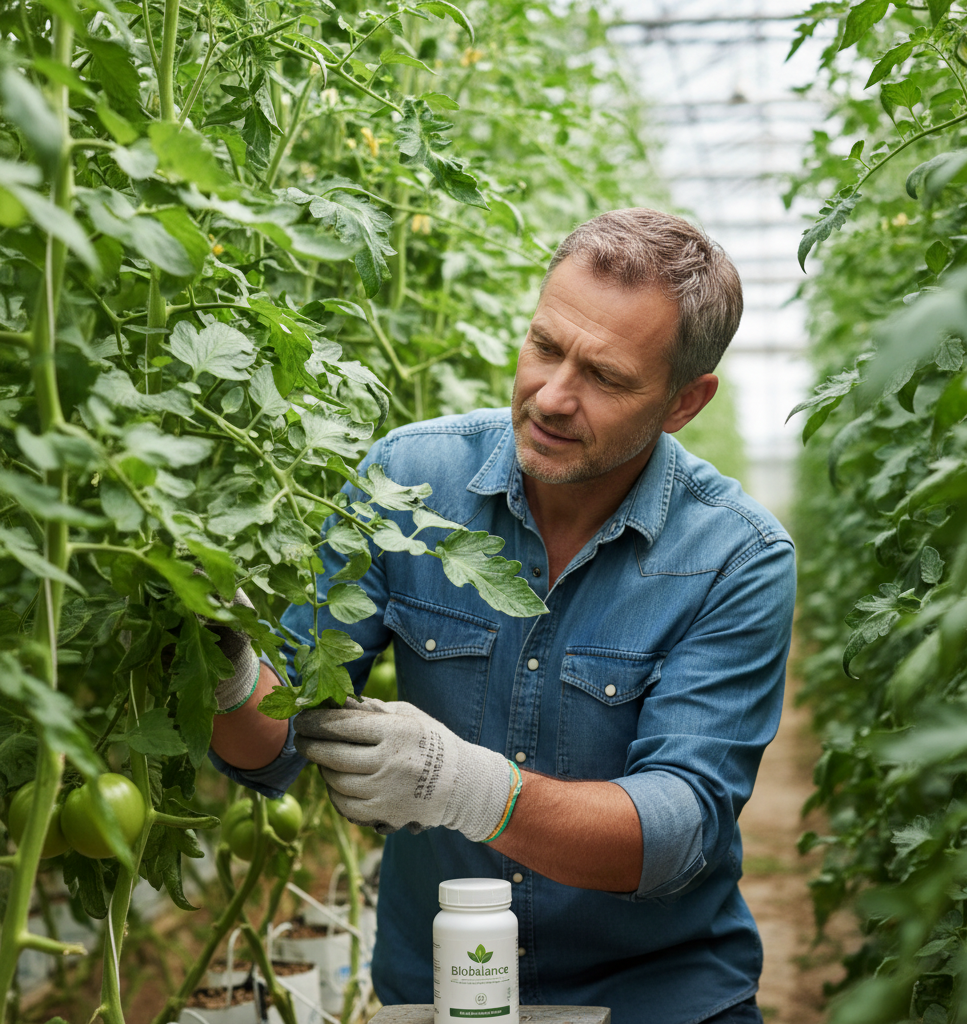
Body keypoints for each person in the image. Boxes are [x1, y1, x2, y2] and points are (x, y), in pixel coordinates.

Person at [208, 208, 796, 1024]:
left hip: (659, 998)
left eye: (607, 377)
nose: (553, 397)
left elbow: (678, 828)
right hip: (438, 993)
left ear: (683, 402)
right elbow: (271, 752)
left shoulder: (736, 558)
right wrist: (230, 668)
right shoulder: (408, 481)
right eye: (545, 347)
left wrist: (467, 786)